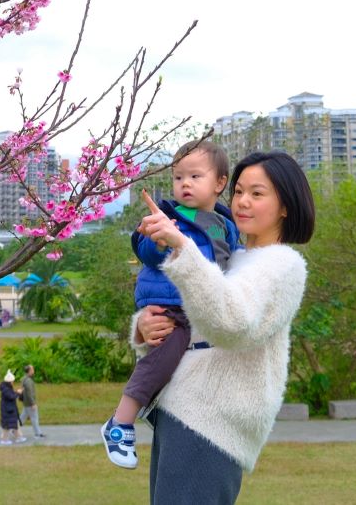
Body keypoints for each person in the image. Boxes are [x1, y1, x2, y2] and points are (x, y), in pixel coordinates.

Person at [133, 150, 315, 503]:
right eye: (239, 191)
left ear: (285, 207)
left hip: (213, 421)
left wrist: (181, 247)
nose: (243, 202)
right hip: (180, 408)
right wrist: (144, 327)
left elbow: (230, 322)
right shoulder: (234, 257)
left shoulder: (282, 264)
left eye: (257, 194)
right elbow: (194, 320)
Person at [103, 140, 242, 470]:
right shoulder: (167, 217)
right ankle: (120, 421)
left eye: (195, 176)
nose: (185, 184)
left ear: (220, 183)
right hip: (171, 304)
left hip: (202, 310)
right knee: (166, 354)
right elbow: (147, 254)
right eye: (179, 177)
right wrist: (159, 238)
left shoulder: (226, 225)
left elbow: (227, 266)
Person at [0, 370, 26, 445]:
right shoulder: (6, 389)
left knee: (14, 424)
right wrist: (18, 393)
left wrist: (16, 392)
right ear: (10, 381)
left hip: (10, 409)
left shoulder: (6, 388)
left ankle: (19, 437)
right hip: (8, 410)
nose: (13, 382)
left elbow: (12, 394)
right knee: (7, 426)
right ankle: (4, 440)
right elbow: (11, 396)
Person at [19, 364, 46, 438]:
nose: (33, 371)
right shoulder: (28, 381)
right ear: (29, 371)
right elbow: (29, 393)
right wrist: (33, 403)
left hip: (26, 403)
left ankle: (14, 429)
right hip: (30, 403)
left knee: (22, 417)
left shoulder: (23, 379)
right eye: (32, 369)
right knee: (34, 418)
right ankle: (38, 433)